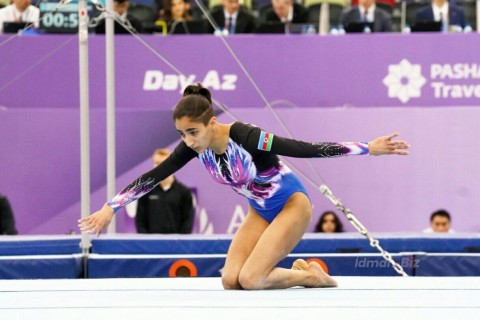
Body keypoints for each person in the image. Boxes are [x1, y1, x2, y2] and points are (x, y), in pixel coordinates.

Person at [79, 83, 410, 290]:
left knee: (252, 279)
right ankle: (298, 272)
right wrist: (111, 208)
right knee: (229, 280)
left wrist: (368, 146)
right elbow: (154, 175)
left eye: (192, 132)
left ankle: (312, 276)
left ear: (211, 123)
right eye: (181, 134)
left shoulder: (247, 137)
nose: (187, 141)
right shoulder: (196, 146)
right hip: (260, 210)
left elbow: (303, 148)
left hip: (291, 204)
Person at [135, 148, 195, 234]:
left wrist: (180, 243)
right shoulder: (146, 192)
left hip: (175, 245)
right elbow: (140, 221)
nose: (160, 167)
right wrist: (146, 243)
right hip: (152, 245)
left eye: (164, 163)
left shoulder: (184, 192)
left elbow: (187, 221)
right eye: (157, 163)